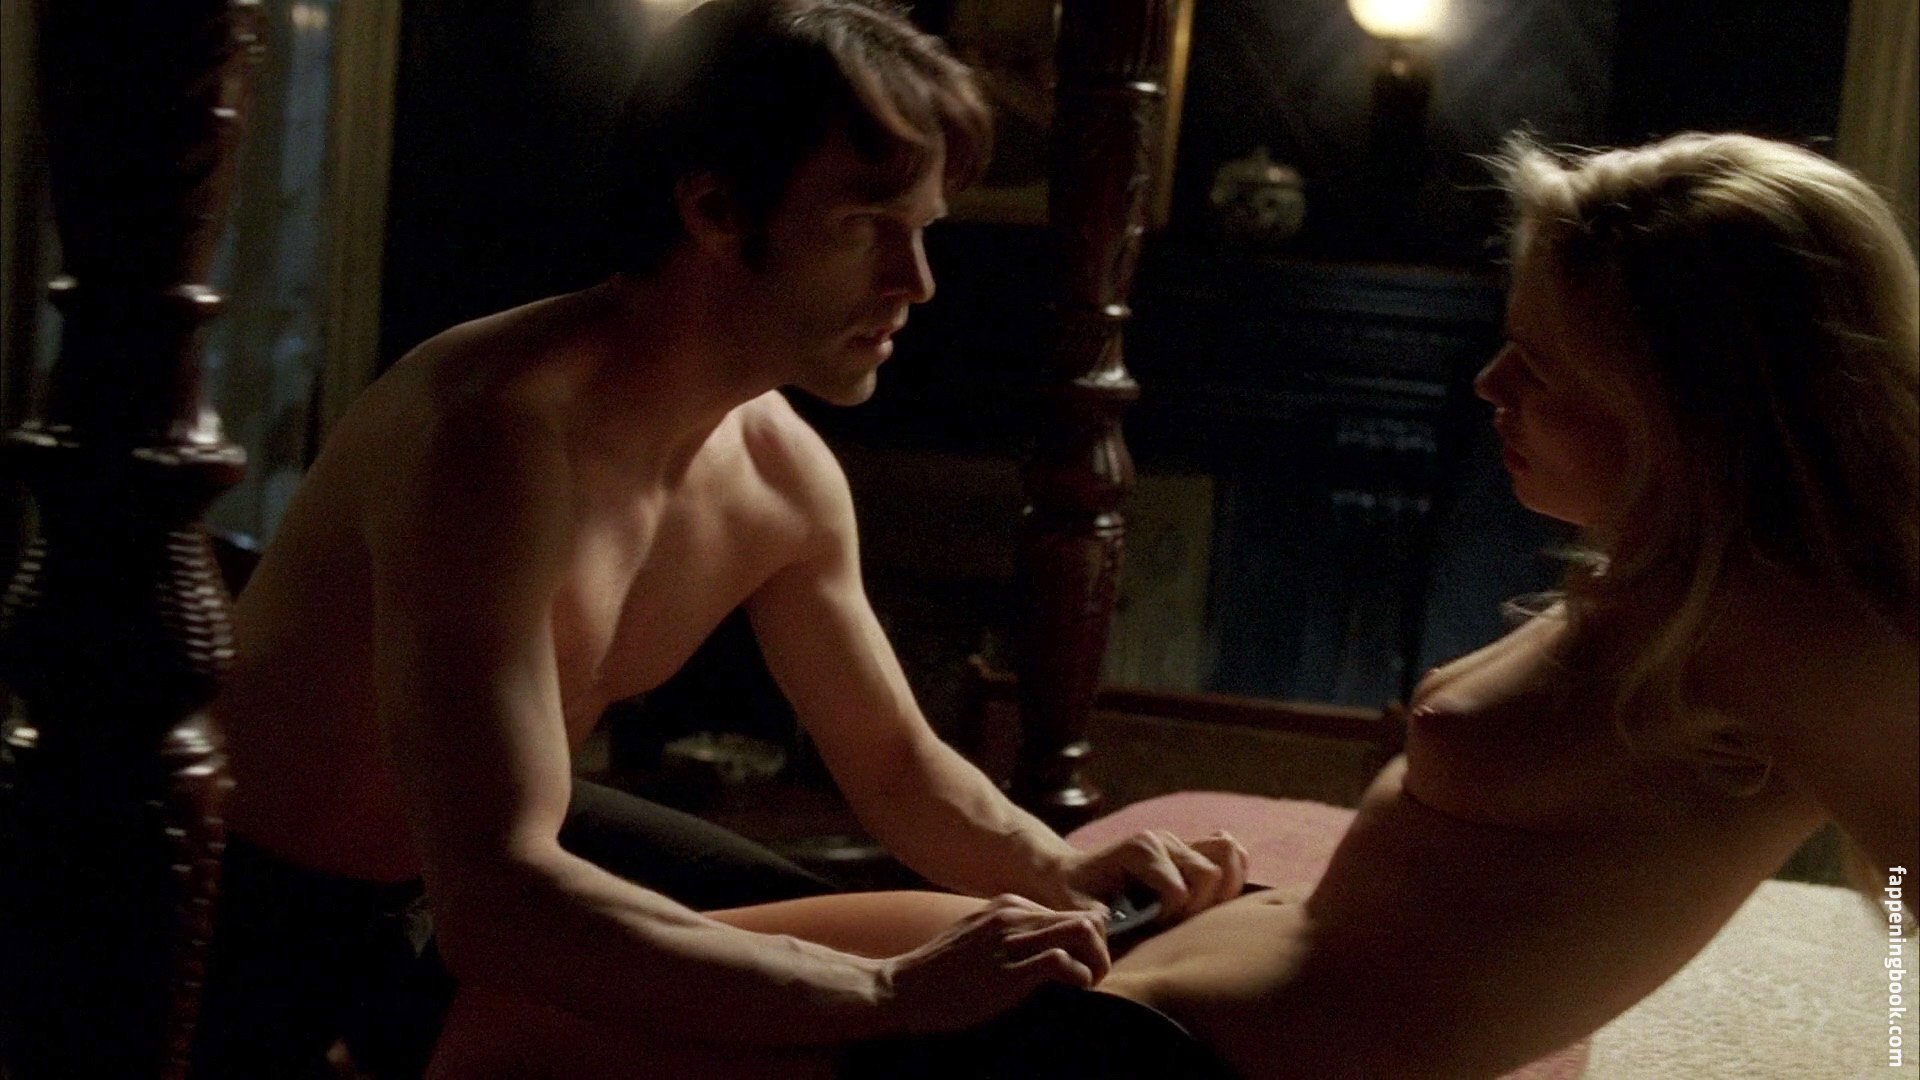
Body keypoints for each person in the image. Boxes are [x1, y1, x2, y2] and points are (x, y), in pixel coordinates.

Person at [501, 131, 1915, 1078]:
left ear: (1687, 405)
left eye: (1542, 367)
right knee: (544, 975)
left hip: (1166, 1058)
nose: (1492, 388)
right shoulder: (1667, 575)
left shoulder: (1791, 632)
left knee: (533, 1029)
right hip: (1149, 972)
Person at [192, 1, 1250, 1076]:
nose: (916, 281)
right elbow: (496, 902)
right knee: (891, 1013)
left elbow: (896, 766)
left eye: (923, 227)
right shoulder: (488, 435)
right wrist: (883, 992)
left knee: (1019, 978)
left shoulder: (781, 473)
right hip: (264, 919)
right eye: (866, 226)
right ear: (714, 210)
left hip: (496, 857)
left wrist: (1059, 868)